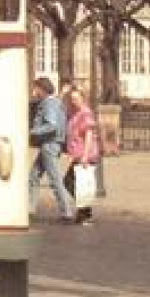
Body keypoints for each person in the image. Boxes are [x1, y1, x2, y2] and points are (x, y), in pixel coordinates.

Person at [28, 77, 74, 222]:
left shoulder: (49, 104)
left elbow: (51, 125)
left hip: (49, 145)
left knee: (55, 179)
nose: (34, 91)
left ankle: (66, 212)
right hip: (49, 145)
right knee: (33, 176)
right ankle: (30, 208)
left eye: (36, 88)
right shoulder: (54, 102)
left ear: (42, 89)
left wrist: (32, 132)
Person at [62, 85, 101, 224]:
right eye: (72, 99)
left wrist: (85, 155)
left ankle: (85, 211)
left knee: (71, 182)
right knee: (74, 183)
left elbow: (89, 134)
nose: (74, 101)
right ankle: (84, 212)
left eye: (76, 99)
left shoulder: (85, 113)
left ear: (83, 99)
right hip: (78, 155)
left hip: (86, 155)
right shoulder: (74, 113)